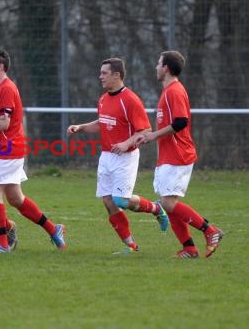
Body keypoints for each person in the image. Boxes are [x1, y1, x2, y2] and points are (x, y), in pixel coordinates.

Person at [0, 49, 65, 253]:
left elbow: (3, 123)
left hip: (8, 149)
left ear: (1, 66)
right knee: (16, 199)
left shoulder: (7, 88)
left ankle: (2, 244)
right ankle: (54, 229)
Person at [67, 57, 169, 254]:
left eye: (104, 73)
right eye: (101, 73)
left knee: (121, 200)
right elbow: (101, 122)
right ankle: (130, 245)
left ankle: (156, 209)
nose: (100, 77)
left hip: (126, 157)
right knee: (108, 201)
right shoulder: (104, 98)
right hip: (106, 156)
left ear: (117, 75)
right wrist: (80, 127)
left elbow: (145, 130)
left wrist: (126, 143)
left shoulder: (131, 99)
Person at [135, 50, 223, 259]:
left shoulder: (174, 91)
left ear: (166, 68)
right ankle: (189, 248)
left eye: (158, 63)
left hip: (178, 154)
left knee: (167, 204)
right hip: (169, 155)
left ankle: (210, 231)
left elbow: (181, 121)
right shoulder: (167, 91)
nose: (156, 67)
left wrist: (154, 135)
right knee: (168, 203)